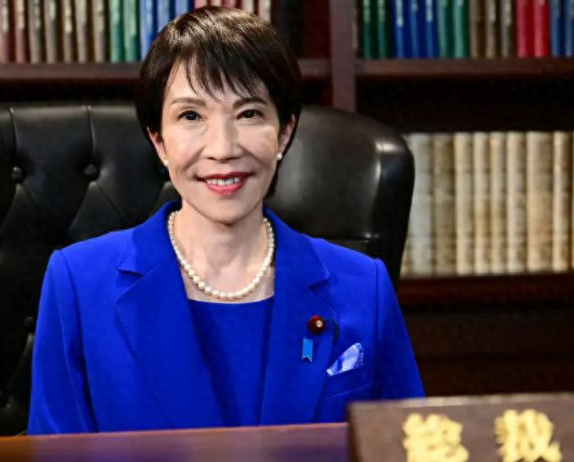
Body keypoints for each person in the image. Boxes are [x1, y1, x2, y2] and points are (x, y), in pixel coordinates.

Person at [28, 6, 423, 435]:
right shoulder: (78, 284)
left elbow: (407, 448)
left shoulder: (364, 286)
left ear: (284, 132)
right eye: (191, 116)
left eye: (249, 113)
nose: (223, 148)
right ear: (158, 140)